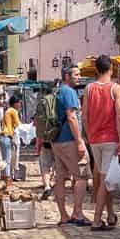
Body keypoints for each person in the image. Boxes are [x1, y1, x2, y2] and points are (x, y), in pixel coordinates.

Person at [83, 54, 120, 230]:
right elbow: (119, 115)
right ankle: (97, 219)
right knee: (103, 180)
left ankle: (110, 215)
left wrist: (88, 134)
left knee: (103, 177)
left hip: (94, 139)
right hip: (110, 138)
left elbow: (84, 115)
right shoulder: (116, 89)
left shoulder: (89, 88)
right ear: (111, 69)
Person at [52, 65, 88, 225]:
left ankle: (63, 215)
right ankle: (78, 214)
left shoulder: (57, 91)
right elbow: (72, 117)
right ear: (67, 76)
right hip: (69, 140)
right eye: (76, 74)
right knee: (81, 176)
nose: (79, 77)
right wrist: (80, 141)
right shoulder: (70, 92)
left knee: (60, 178)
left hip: (56, 140)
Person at [0, 94, 22, 180]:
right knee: (7, 161)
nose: (20, 104)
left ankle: (5, 179)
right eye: (19, 103)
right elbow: (18, 124)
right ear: (15, 103)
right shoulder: (13, 111)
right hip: (7, 136)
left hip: (2, 137)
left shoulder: (8, 110)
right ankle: (7, 180)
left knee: (5, 160)